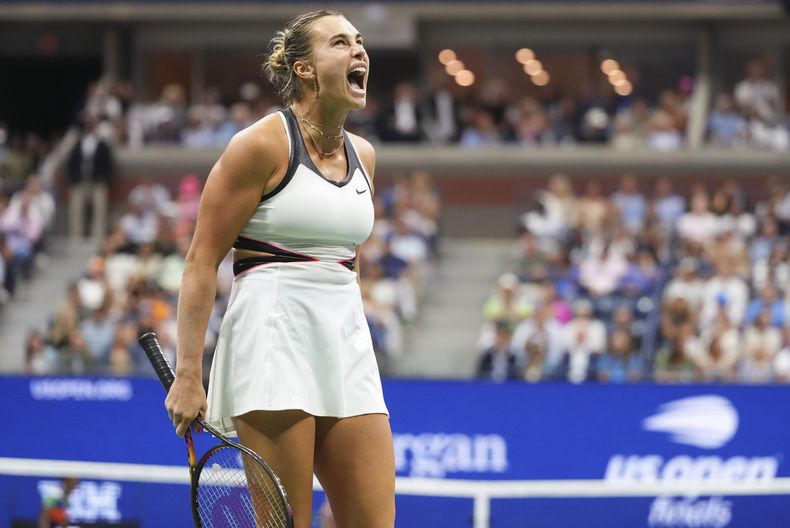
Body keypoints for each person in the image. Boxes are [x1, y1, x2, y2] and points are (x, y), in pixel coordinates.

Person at [164, 10, 394, 528]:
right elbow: (202, 260)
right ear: (305, 69)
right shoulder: (261, 144)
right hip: (272, 340)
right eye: (340, 43)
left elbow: (344, 262)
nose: (359, 52)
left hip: (346, 343)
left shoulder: (366, 156)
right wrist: (188, 373)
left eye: (360, 42)